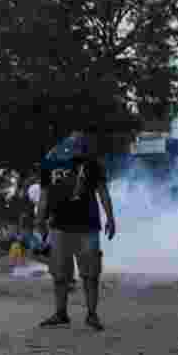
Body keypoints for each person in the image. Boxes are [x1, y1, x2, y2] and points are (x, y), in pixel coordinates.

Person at [36, 132, 117, 331]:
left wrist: (111, 218)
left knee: (90, 273)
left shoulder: (92, 164)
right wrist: (40, 220)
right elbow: (44, 196)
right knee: (59, 273)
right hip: (60, 225)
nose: (74, 146)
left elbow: (102, 192)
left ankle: (91, 314)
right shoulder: (49, 164)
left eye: (78, 143)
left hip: (87, 226)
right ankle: (61, 313)